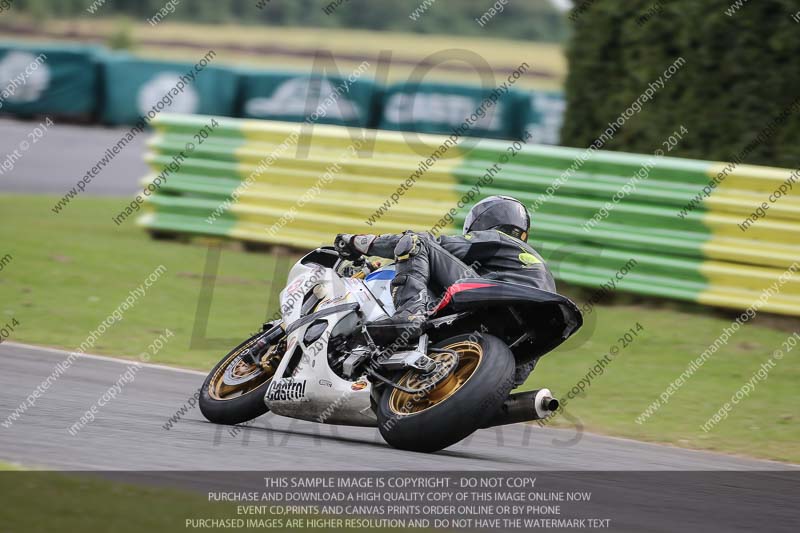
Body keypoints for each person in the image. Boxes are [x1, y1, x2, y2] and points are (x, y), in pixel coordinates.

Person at [334, 195, 556, 343]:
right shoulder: (538, 267)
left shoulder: (497, 239)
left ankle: (410, 313)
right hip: (527, 333)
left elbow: (435, 245)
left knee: (415, 241)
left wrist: (360, 243)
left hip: (497, 300)